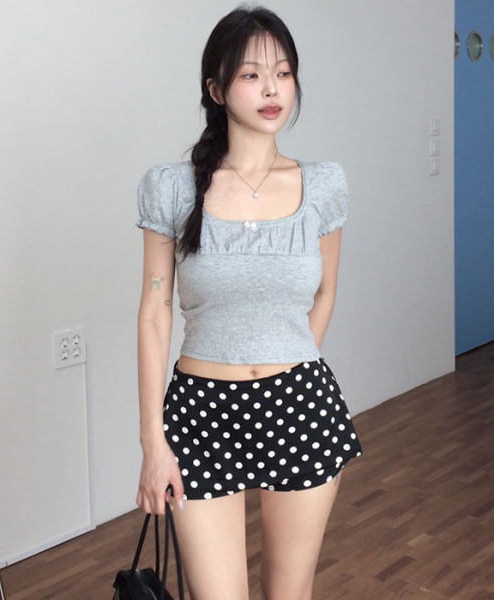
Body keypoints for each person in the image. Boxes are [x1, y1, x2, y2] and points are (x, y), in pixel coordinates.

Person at [135, 6, 362, 600]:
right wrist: (153, 441)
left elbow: (326, 290)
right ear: (216, 89)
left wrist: (290, 360)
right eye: (251, 75)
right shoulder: (173, 187)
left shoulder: (323, 185)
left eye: (283, 73)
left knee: (289, 593)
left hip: (300, 407)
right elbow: (155, 314)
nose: (271, 90)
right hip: (200, 413)